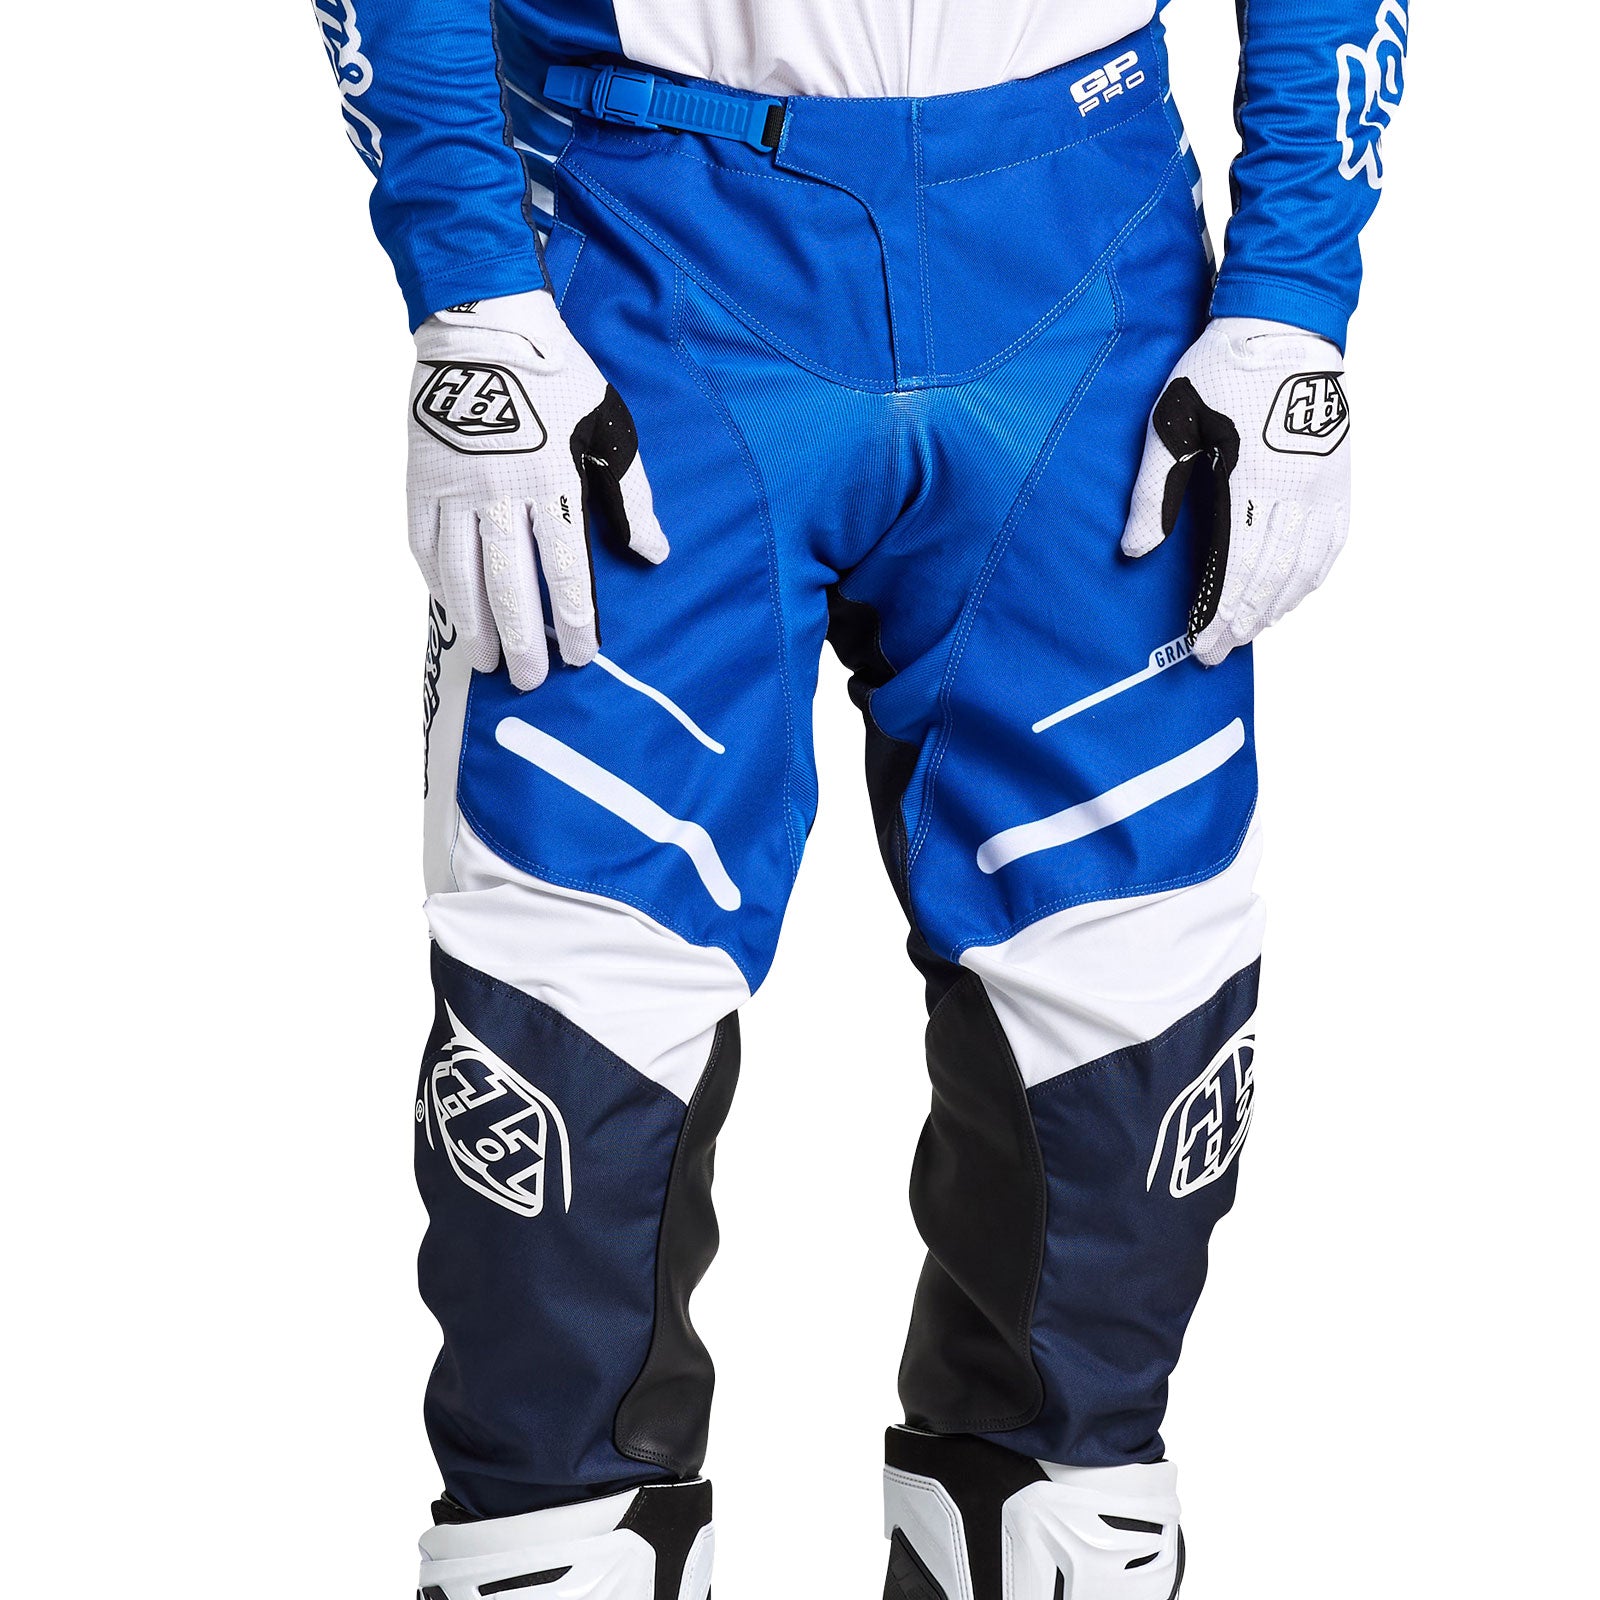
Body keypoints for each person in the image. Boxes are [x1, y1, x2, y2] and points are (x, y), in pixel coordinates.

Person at [311, 2, 1407, 1595]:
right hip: (643, 253)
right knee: (567, 1014)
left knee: (1130, 1033)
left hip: (1086, 267)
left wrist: (1295, 296)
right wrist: (470, 286)